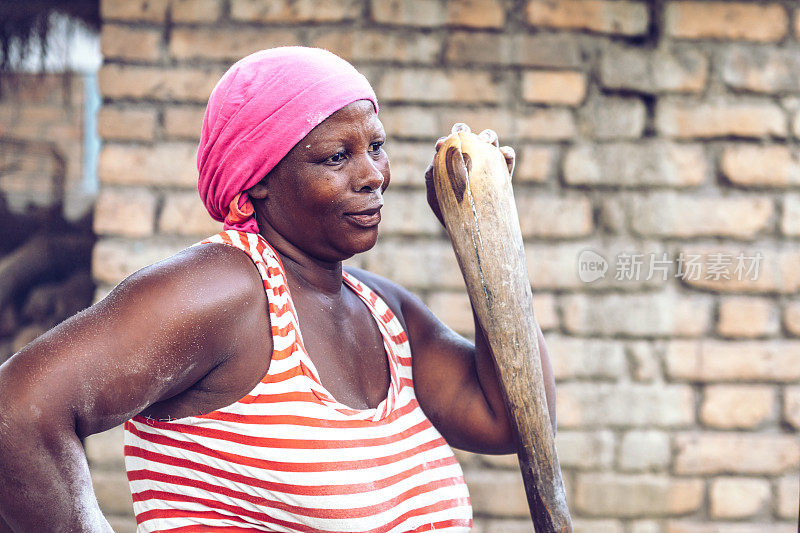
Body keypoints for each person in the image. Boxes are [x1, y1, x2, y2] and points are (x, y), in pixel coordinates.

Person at [0, 47, 555, 532]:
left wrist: (489, 239)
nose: (373, 175)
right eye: (336, 157)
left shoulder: (385, 312)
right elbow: (18, 411)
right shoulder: (226, 291)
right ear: (254, 183)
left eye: (376, 147)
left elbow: (510, 420)